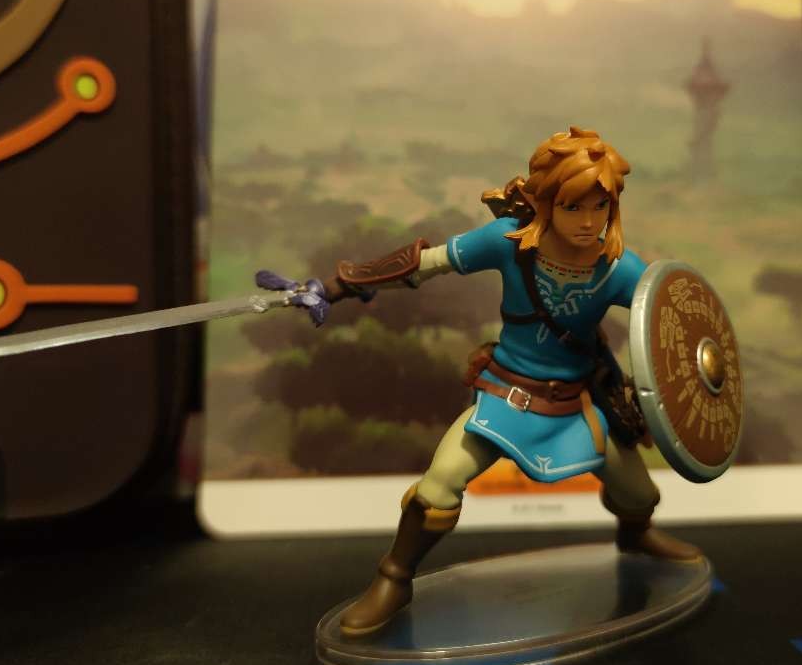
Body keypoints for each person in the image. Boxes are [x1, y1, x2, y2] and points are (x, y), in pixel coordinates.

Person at [301, 127, 703, 637]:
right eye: (573, 207)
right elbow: (427, 263)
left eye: (599, 206)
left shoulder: (619, 269)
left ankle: (635, 536)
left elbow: (671, 320)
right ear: (546, 202)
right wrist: (337, 286)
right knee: (438, 487)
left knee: (640, 494)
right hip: (506, 397)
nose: (588, 221)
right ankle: (394, 578)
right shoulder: (509, 243)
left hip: (578, 407)